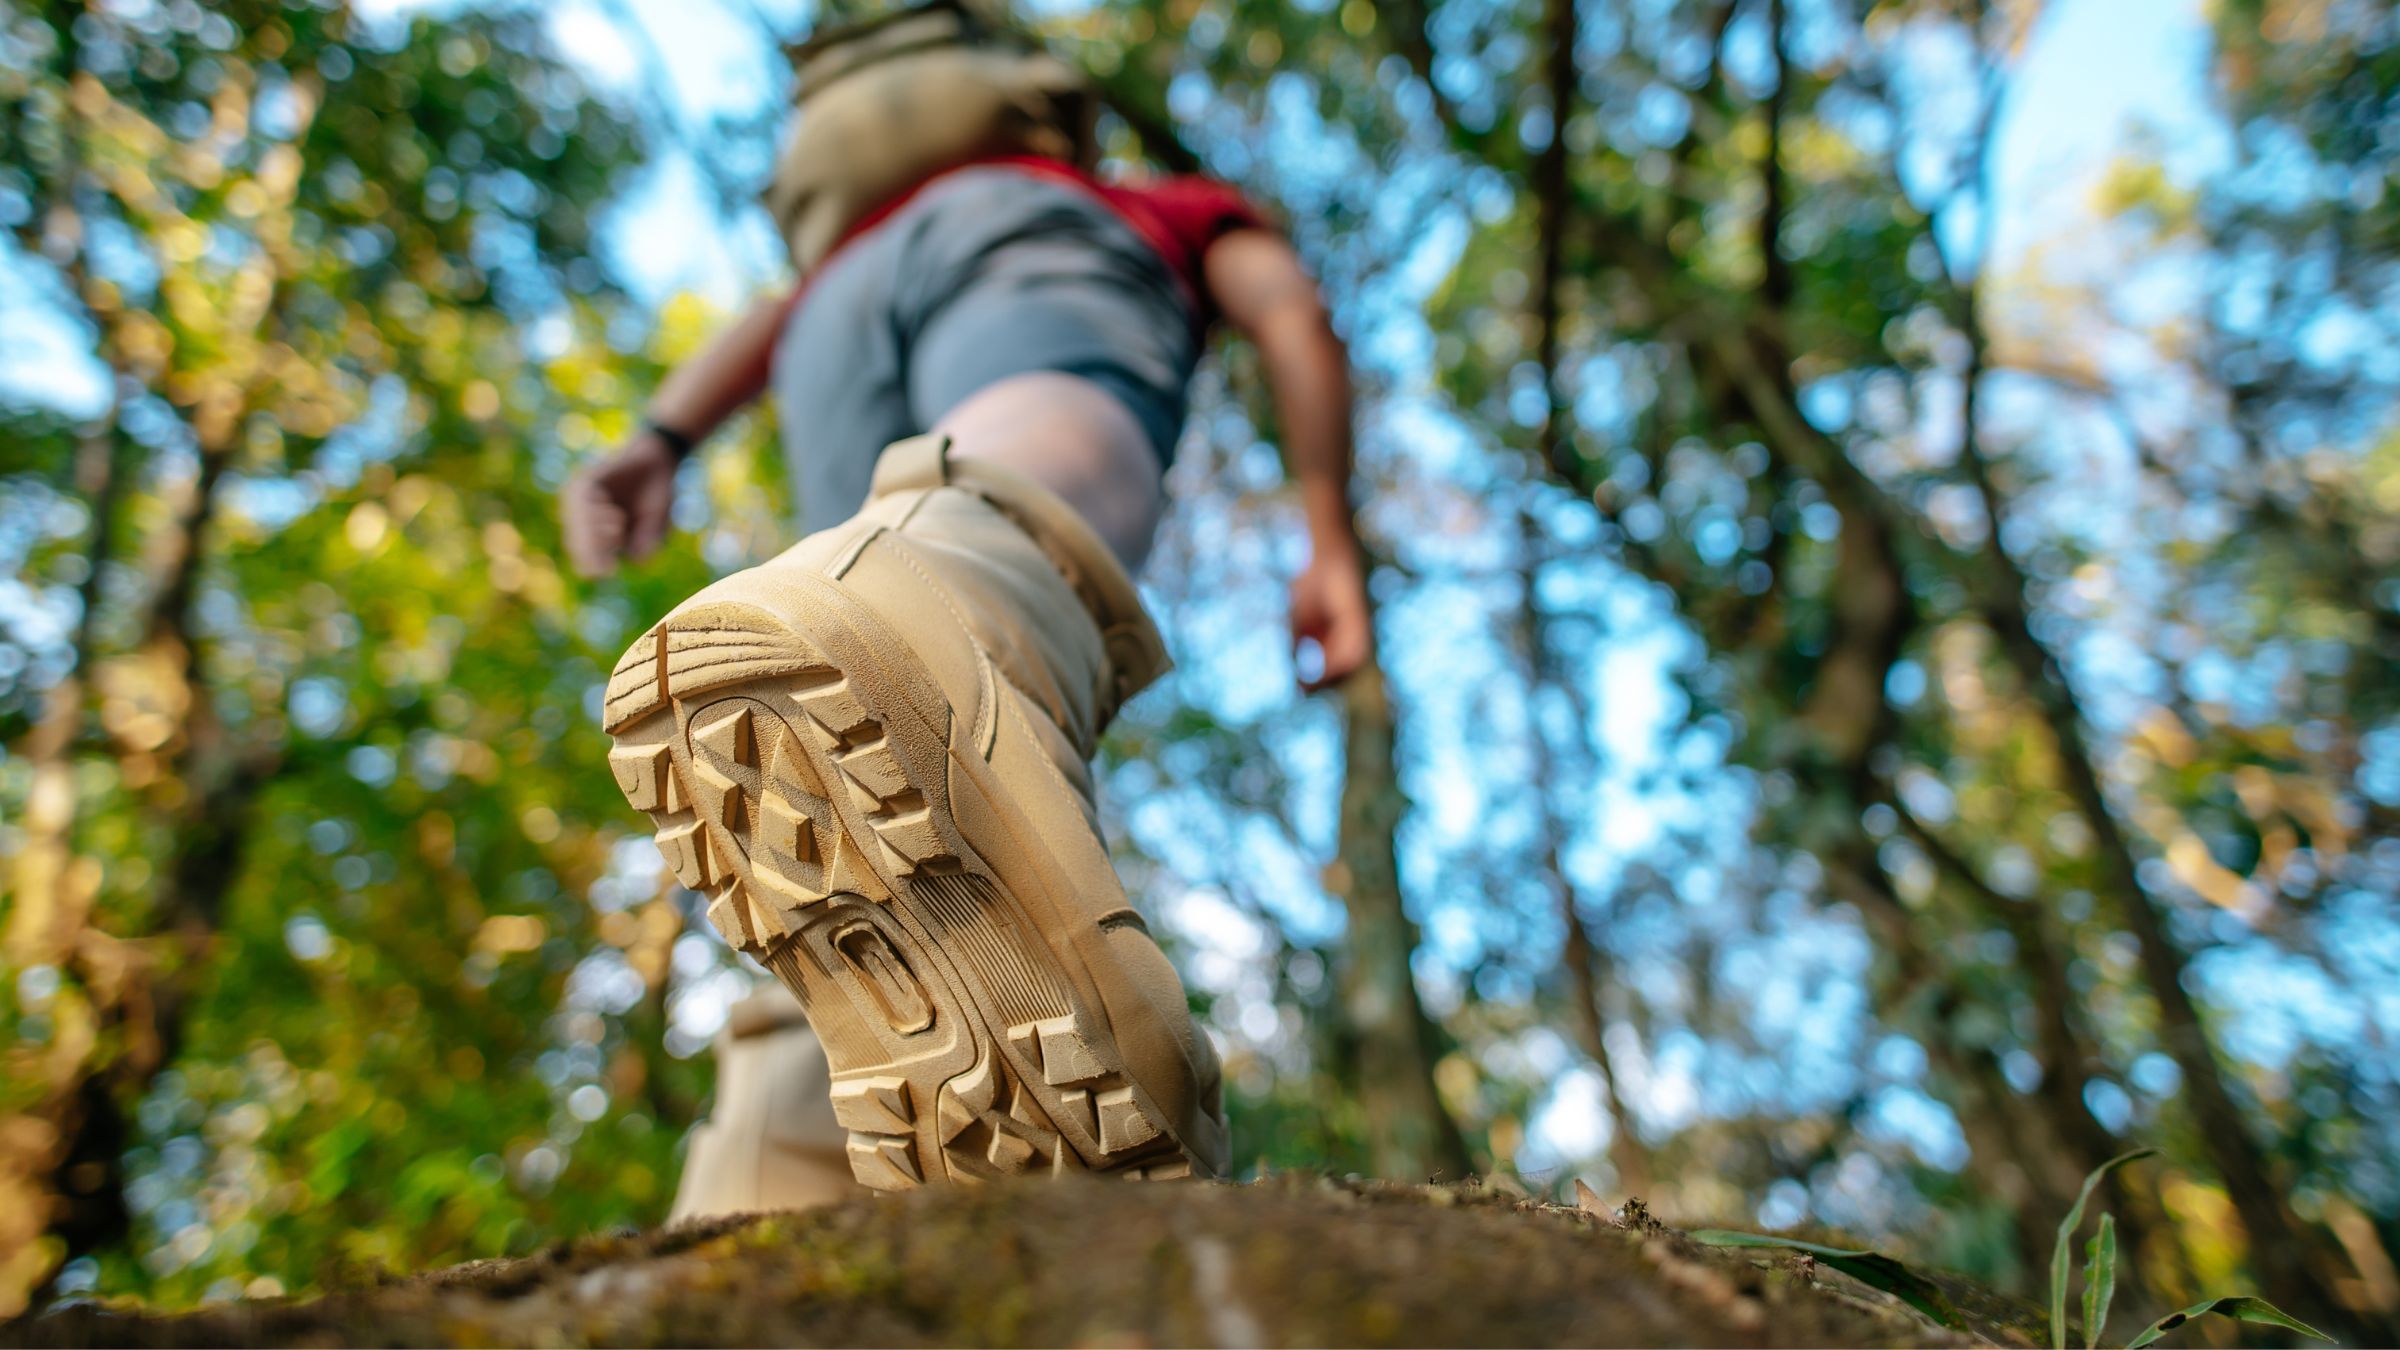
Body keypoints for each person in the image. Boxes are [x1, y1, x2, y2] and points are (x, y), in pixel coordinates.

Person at [560, 14, 1368, 1212]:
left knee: (847, 611)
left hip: (830, 327)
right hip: (1025, 245)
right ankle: (950, 605)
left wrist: (660, 437)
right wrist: (1329, 532)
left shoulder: (852, 238)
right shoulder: (1153, 201)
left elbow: (776, 318)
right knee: (1009, 486)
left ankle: (772, 1166)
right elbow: (1293, 316)